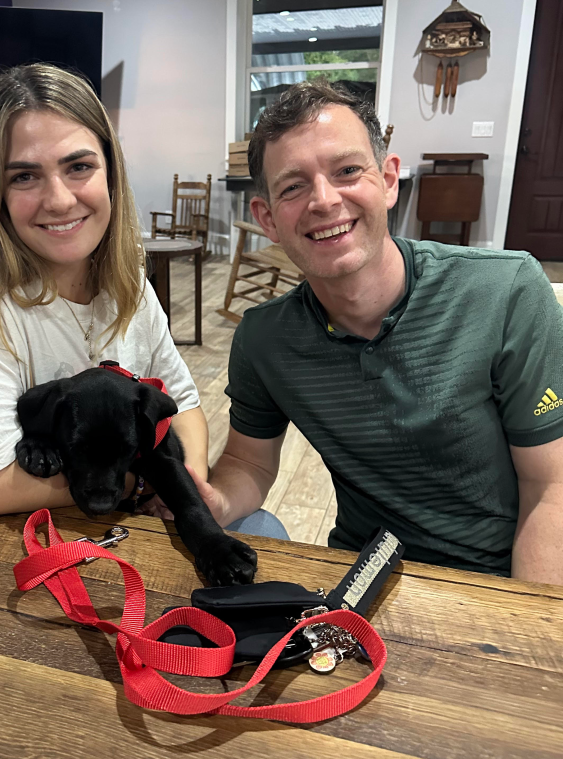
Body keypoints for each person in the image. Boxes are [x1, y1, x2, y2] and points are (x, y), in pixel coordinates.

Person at [188, 80, 563, 585]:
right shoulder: (264, 339)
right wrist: (215, 500)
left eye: (347, 171)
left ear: (388, 181)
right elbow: (248, 463)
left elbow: (550, 487)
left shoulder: (506, 291)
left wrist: (523, 620)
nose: (324, 200)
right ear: (267, 219)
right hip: (361, 574)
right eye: (293, 186)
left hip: (495, 578)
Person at [0, 64, 211, 516]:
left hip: (119, 525)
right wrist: (147, 484)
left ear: (111, 172)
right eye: (24, 177)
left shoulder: (127, 281)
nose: (60, 200)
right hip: (14, 539)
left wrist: (189, 487)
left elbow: (182, 405)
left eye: (79, 167)